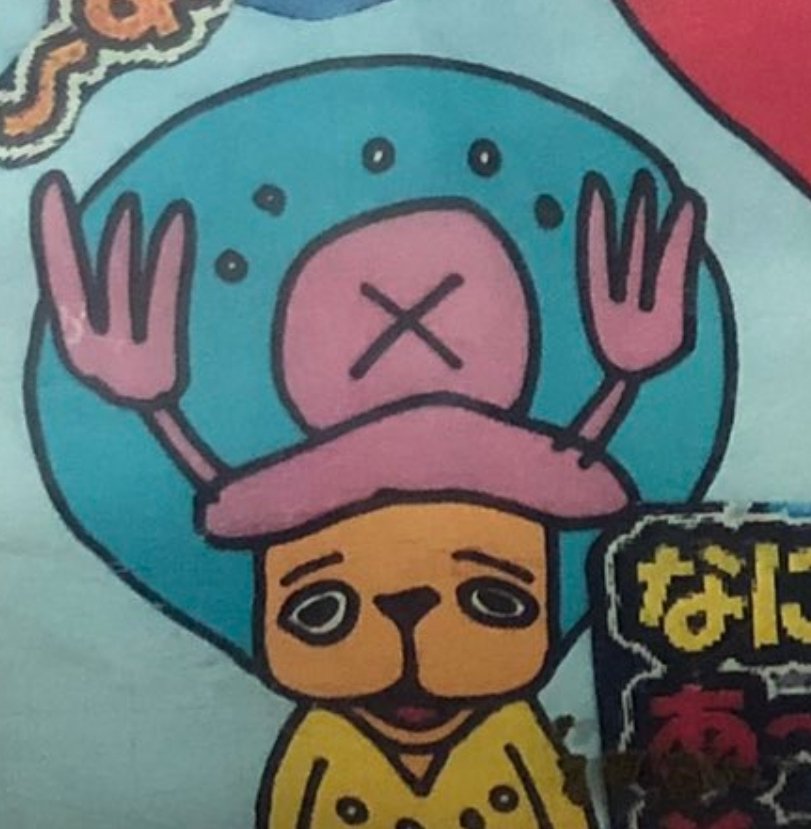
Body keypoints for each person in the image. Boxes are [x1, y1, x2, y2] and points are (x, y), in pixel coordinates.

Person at [32, 166, 703, 827]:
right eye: (320, 609)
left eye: (494, 599)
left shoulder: (513, 734)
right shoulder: (324, 745)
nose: (409, 631)